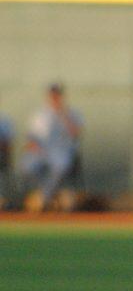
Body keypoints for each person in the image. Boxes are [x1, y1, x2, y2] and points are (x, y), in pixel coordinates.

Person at [21, 83, 82, 211]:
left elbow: (75, 133)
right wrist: (33, 145)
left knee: (61, 166)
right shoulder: (40, 114)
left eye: (57, 95)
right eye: (52, 95)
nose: (55, 98)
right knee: (27, 166)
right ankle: (51, 195)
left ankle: (43, 198)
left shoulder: (71, 113)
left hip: (62, 150)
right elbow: (31, 137)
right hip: (42, 150)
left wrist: (63, 114)